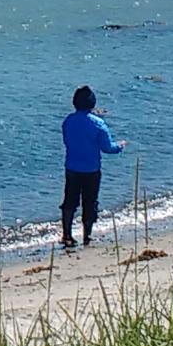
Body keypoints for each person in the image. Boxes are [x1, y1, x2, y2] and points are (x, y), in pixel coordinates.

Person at [59, 85, 125, 249]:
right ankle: (87, 236)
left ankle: (67, 234)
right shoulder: (98, 123)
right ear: (92, 103)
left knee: (69, 202)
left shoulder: (68, 121)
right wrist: (121, 145)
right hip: (91, 170)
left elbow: (67, 141)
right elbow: (108, 148)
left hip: (72, 168)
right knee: (90, 202)